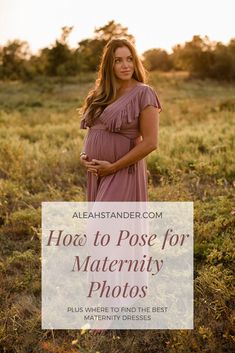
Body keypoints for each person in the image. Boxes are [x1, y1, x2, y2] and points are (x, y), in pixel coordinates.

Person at [79, 38, 162, 201]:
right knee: (105, 226)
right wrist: (84, 155)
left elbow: (151, 142)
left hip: (122, 171)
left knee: (103, 224)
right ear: (109, 64)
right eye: (118, 61)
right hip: (97, 172)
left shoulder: (143, 93)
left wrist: (113, 167)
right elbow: (94, 129)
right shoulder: (100, 93)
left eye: (129, 59)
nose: (125, 65)